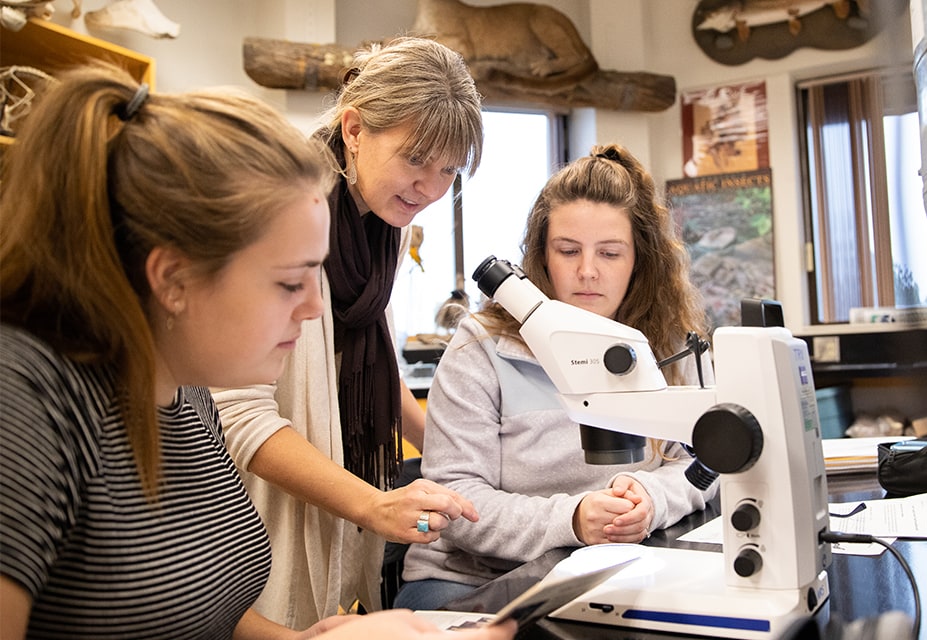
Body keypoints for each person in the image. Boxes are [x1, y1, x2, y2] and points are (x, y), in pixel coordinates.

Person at [0, 63, 514, 640]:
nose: (316, 310)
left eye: (447, 170)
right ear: (172, 279)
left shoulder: (189, 397)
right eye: (290, 282)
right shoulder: (28, 403)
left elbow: (196, 602)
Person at [209, 35, 487, 626]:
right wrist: (372, 505)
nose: (431, 188)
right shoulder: (279, 209)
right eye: (416, 159)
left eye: (448, 169)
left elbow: (373, 361)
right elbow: (238, 412)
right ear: (355, 129)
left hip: (340, 485)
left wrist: (457, 453)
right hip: (245, 511)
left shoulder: (386, 228)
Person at [395, 143, 720, 610]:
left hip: (619, 563)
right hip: (473, 577)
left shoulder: (667, 343)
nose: (587, 271)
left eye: (610, 253)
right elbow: (456, 500)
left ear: (640, 261)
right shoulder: (481, 347)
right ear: (541, 256)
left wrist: (650, 499)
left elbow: (700, 464)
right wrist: (573, 519)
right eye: (568, 251)